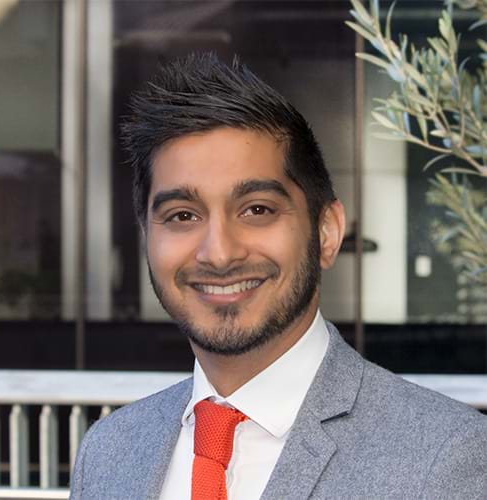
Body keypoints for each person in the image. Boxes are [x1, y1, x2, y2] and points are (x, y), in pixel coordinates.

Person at [70, 53, 487, 500]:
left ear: (326, 232)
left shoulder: (444, 458)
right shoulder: (109, 451)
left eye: (257, 210)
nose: (219, 253)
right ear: (147, 239)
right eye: (182, 215)